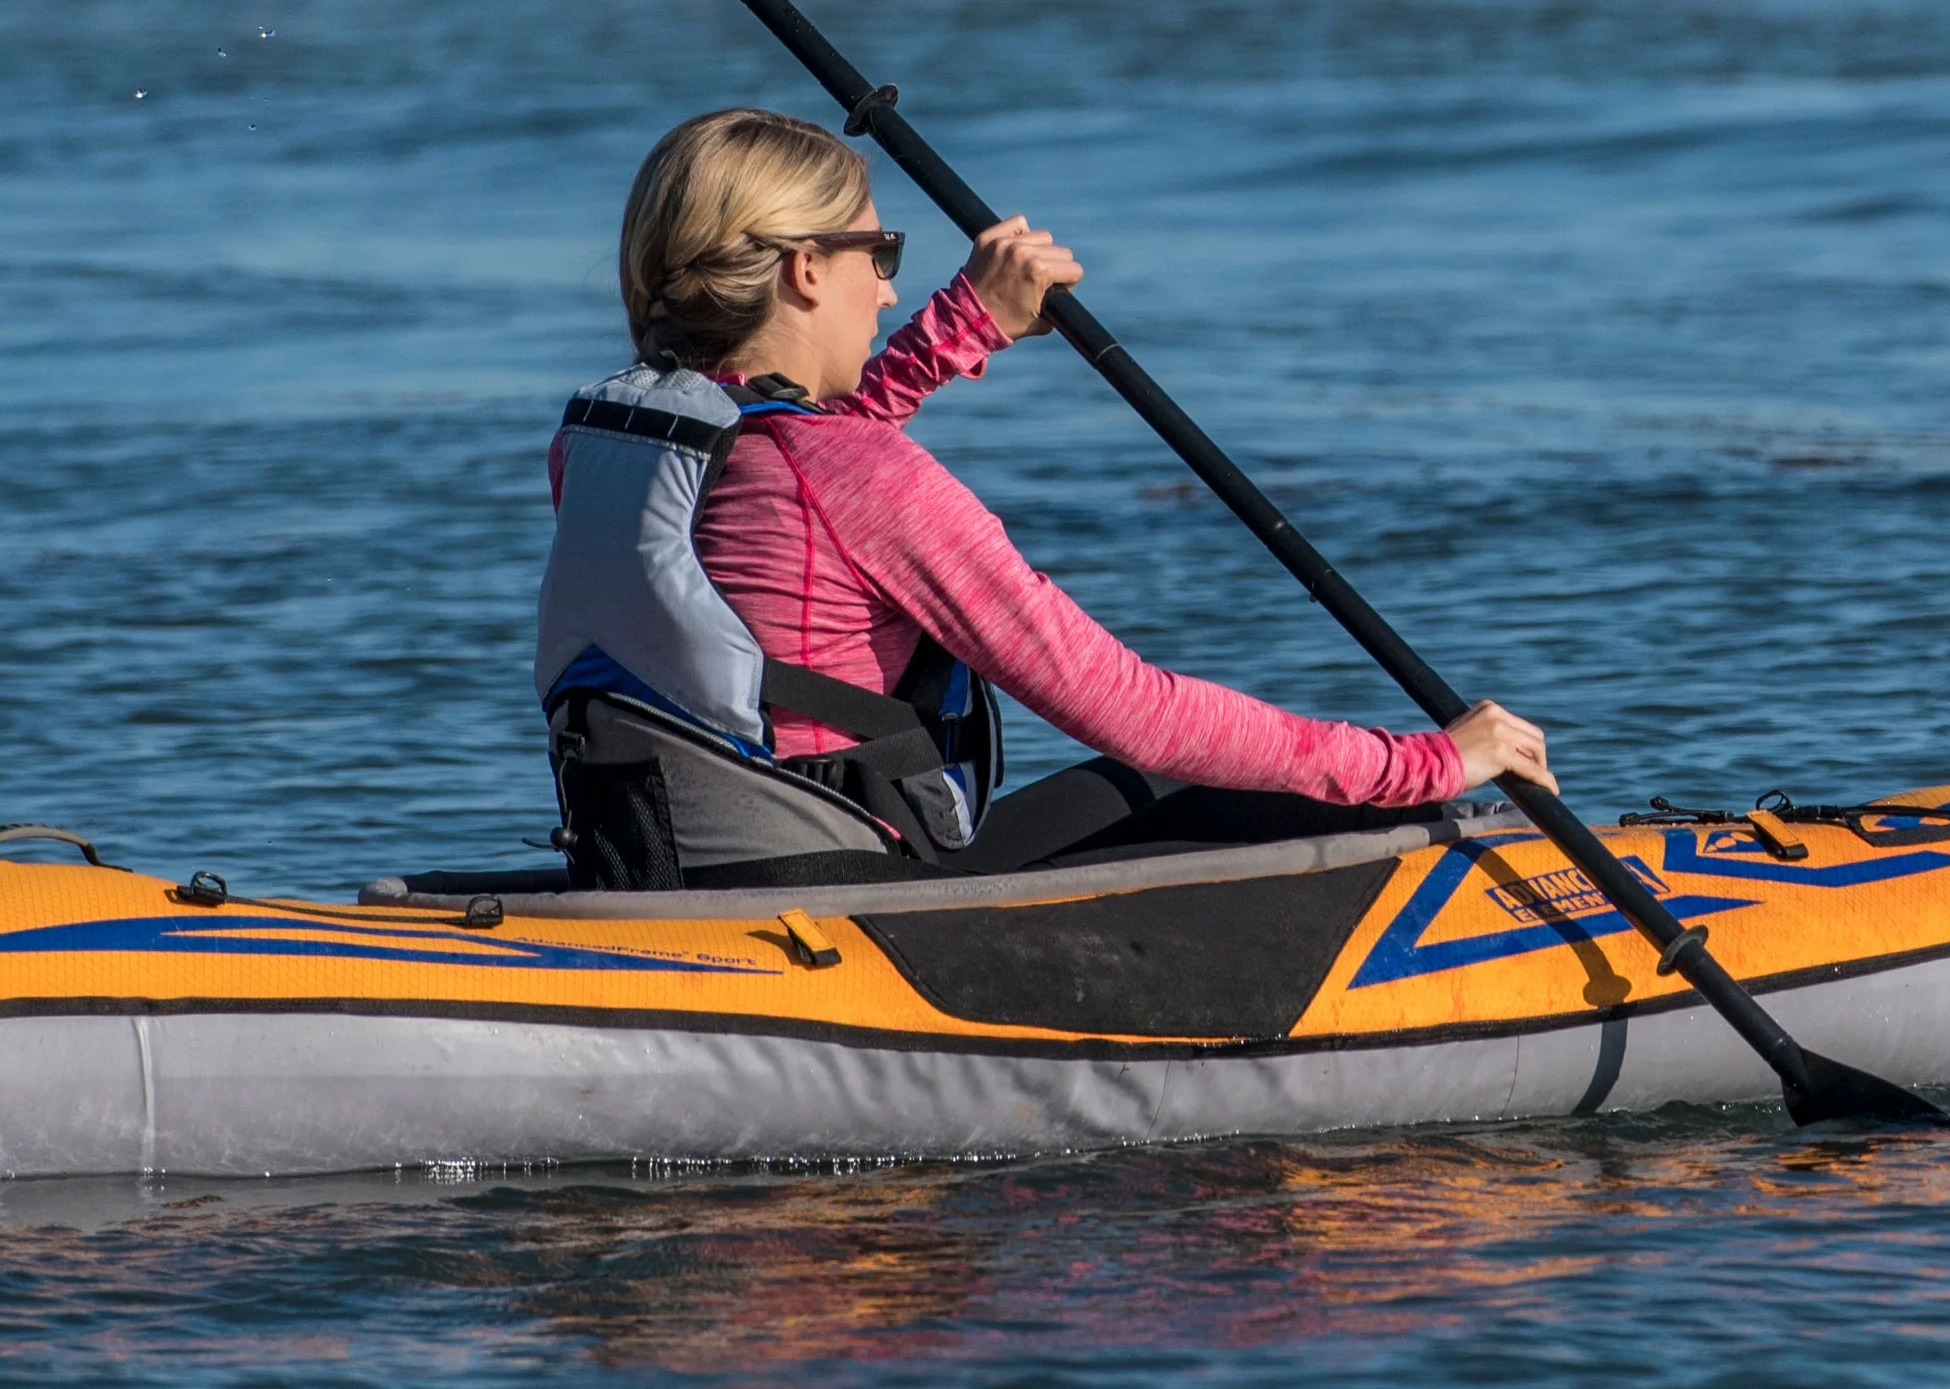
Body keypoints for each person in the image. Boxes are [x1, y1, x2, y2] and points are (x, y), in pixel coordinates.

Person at [534, 106, 1546, 882]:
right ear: (804, 270)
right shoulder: (856, 477)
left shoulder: (617, 443)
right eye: (878, 255)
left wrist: (965, 325)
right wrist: (1422, 765)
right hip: (841, 886)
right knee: (1197, 777)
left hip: (675, 856)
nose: (888, 289)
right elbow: (1131, 708)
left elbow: (800, 471)